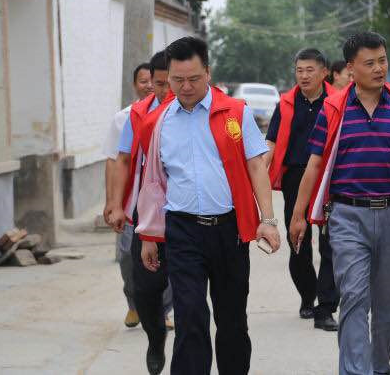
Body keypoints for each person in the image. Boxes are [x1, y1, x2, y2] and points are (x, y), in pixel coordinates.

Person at [289, 32, 390, 375]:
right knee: (355, 297)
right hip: (347, 216)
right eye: (369, 63)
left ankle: (379, 366)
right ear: (351, 68)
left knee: (388, 304)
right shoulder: (334, 108)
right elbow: (315, 164)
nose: (379, 69)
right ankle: (356, 370)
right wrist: (298, 215)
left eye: (383, 61)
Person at [135, 36, 281, 375]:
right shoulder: (157, 122)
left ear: (208, 73)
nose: (186, 87)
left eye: (194, 79)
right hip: (182, 230)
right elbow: (153, 184)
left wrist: (268, 219)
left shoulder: (235, 112)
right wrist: (149, 236)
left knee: (232, 319)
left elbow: (256, 166)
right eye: (177, 80)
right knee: (190, 316)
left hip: (229, 230)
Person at [106, 51, 175, 374]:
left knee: (188, 286)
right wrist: (117, 203)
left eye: (170, 83)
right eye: (159, 84)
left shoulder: (198, 111)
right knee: (145, 286)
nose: (165, 90)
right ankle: (155, 337)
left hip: (189, 213)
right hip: (147, 213)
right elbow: (121, 160)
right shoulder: (136, 116)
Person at [264, 48, 339, 331]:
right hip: (295, 177)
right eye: (299, 70)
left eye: (310, 70)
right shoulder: (285, 103)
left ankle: (326, 304)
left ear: (324, 73)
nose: (304, 76)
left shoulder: (337, 101)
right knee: (298, 241)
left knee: (331, 241)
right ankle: (308, 295)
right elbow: (271, 142)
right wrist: (259, 174)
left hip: (328, 177)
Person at [103, 61, 152, 329]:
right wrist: (112, 202)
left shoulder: (171, 115)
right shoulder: (123, 118)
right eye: (143, 81)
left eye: (154, 81)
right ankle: (134, 305)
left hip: (160, 205)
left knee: (164, 259)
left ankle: (162, 310)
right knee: (127, 257)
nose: (149, 86)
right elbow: (113, 161)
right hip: (130, 202)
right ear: (135, 85)